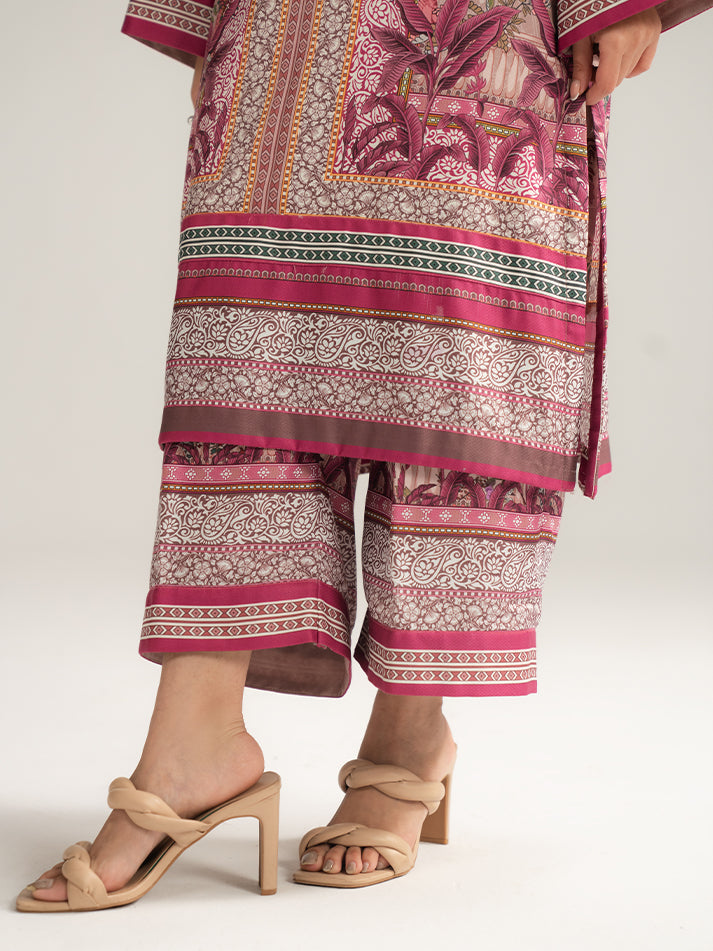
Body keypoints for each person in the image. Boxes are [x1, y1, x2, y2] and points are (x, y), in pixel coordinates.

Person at [16, 0, 711, 911]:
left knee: (449, 364)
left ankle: (409, 734)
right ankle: (194, 739)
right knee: (248, 355)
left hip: (486, 34)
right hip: (281, 32)